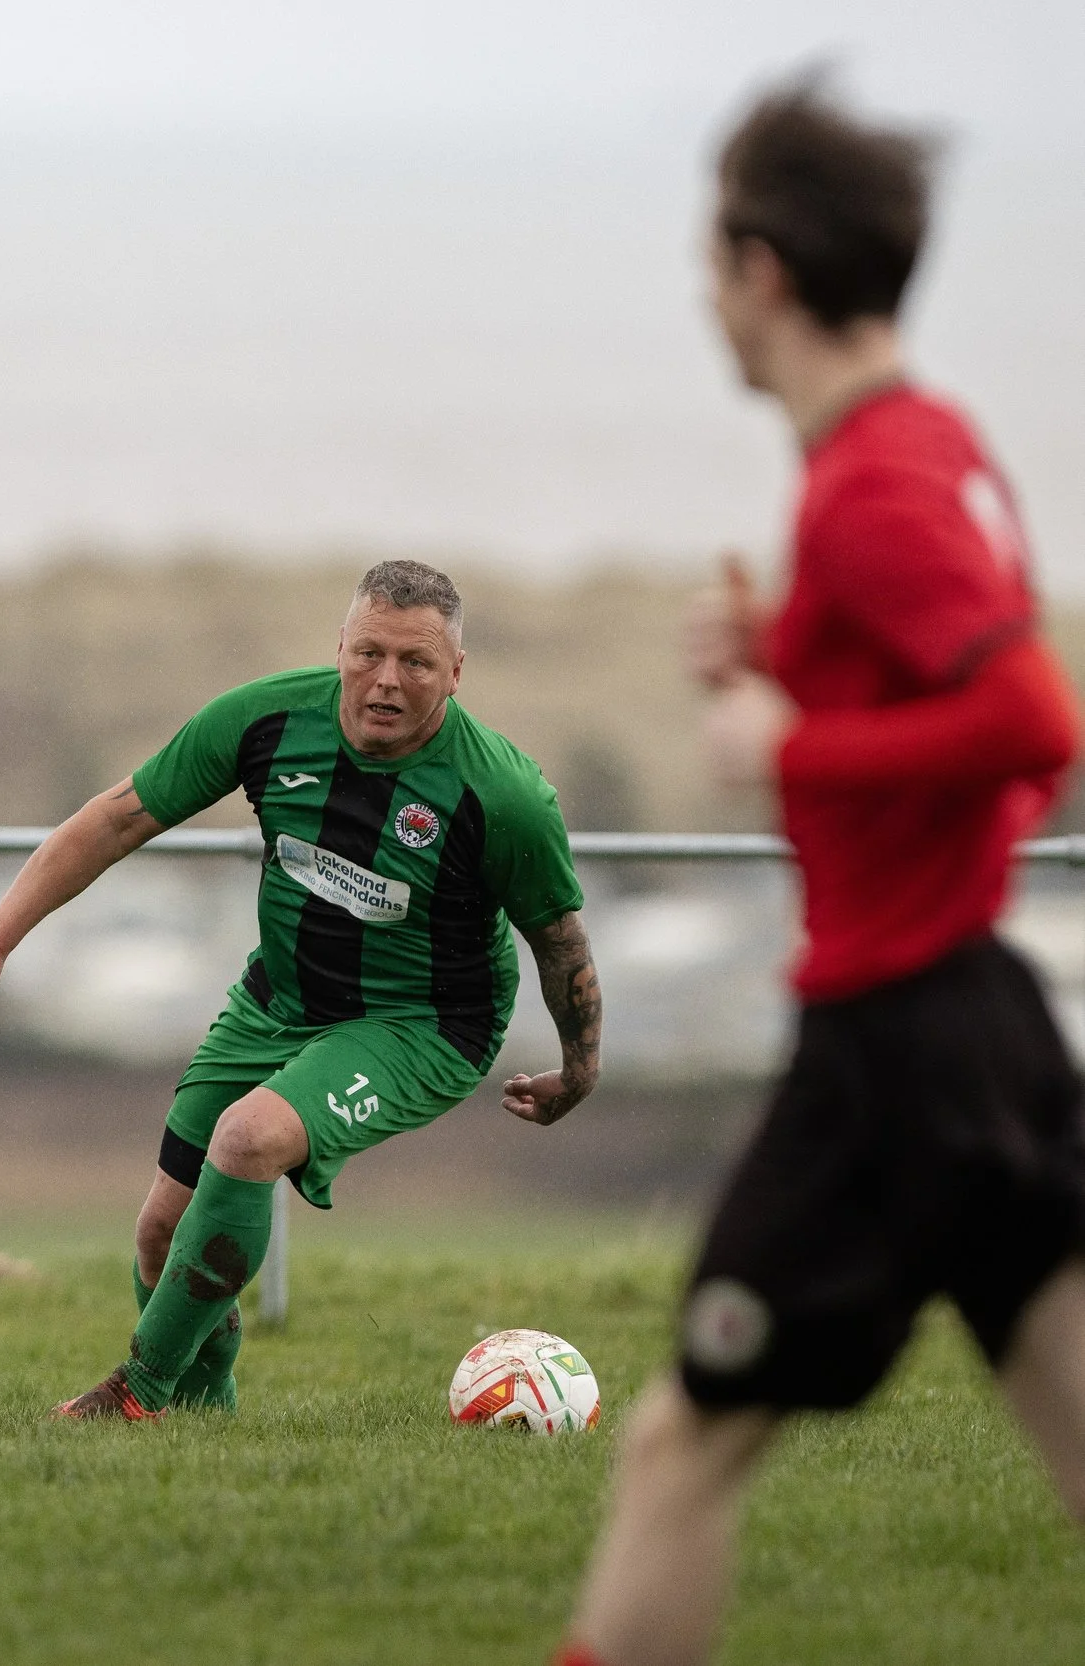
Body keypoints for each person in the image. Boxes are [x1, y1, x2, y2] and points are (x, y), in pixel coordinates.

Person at [556, 80, 1085, 1666]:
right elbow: (976, 709)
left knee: (676, 1450)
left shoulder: (870, 486)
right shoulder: (926, 440)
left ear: (765, 270)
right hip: (984, 1018)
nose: (708, 294)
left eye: (713, 259)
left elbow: (1034, 721)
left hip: (892, 1046)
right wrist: (792, 656)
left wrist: (790, 746)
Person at [0, 559, 604, 1419]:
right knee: (161, 1235)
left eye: (417, 663)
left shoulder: (503, 794)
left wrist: (581, 1069)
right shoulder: (269, 718)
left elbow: (562, 945)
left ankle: (135, 1399)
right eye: (370, 653)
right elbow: (119, 816)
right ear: (341, 647)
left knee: (247, 1139)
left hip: (423, 1026)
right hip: (278, 1002)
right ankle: (211, 1423)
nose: (387, 680)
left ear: (456, 673)